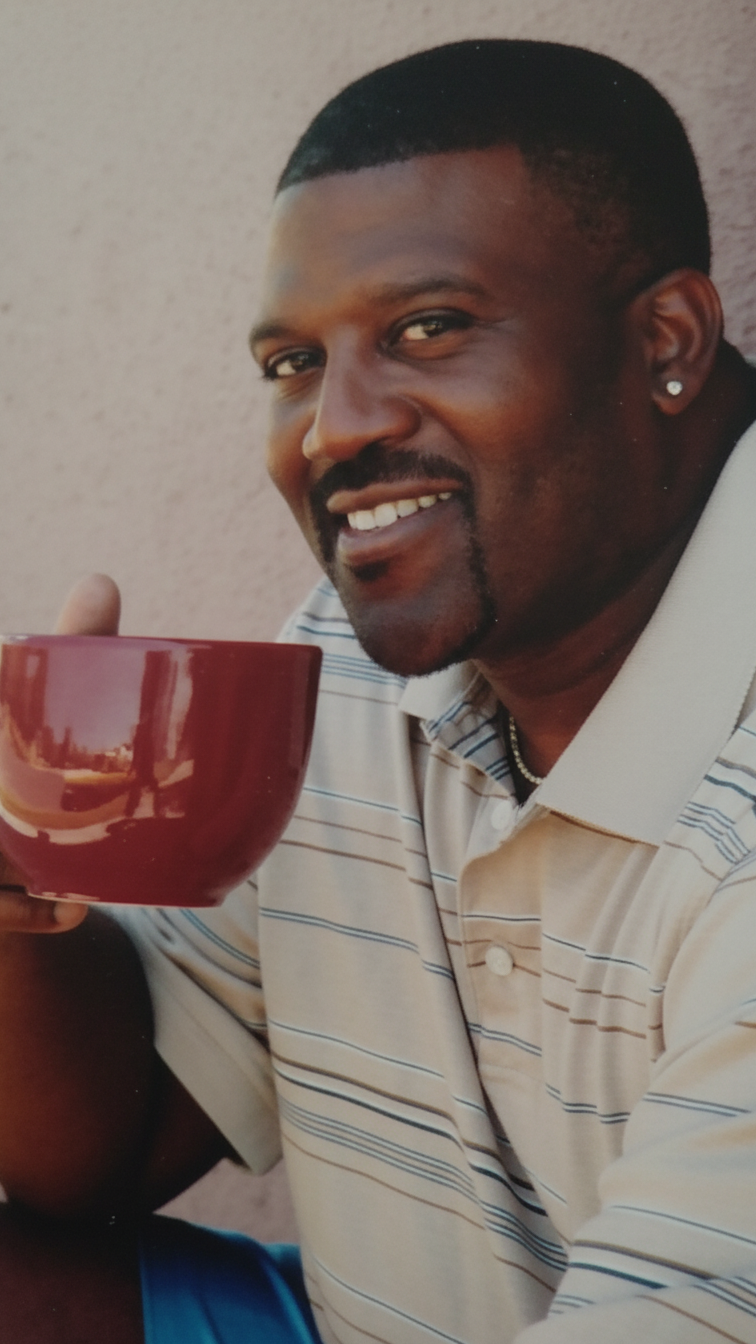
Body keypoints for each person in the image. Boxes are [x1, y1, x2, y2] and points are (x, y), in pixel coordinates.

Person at [1, 37, 756, 1344]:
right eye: (292, 363)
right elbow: (107, 1144)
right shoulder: (357, 655)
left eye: (427, 328)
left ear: (668, 341)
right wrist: (17, 901)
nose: (334, 428)